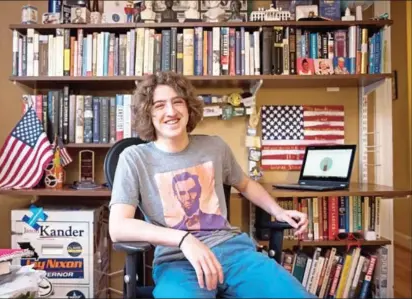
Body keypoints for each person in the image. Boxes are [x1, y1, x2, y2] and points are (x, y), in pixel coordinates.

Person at [109, 72, 314, 298]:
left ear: (188, 108)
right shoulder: (134, 158)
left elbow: (245, 184)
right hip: (178, 262)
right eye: (159, 105)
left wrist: (279, 211)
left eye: (177, 101)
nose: (171, 111)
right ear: (148, 113)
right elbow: (118, 227)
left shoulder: (214, 146)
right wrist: (184, 239)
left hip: (234, 253)